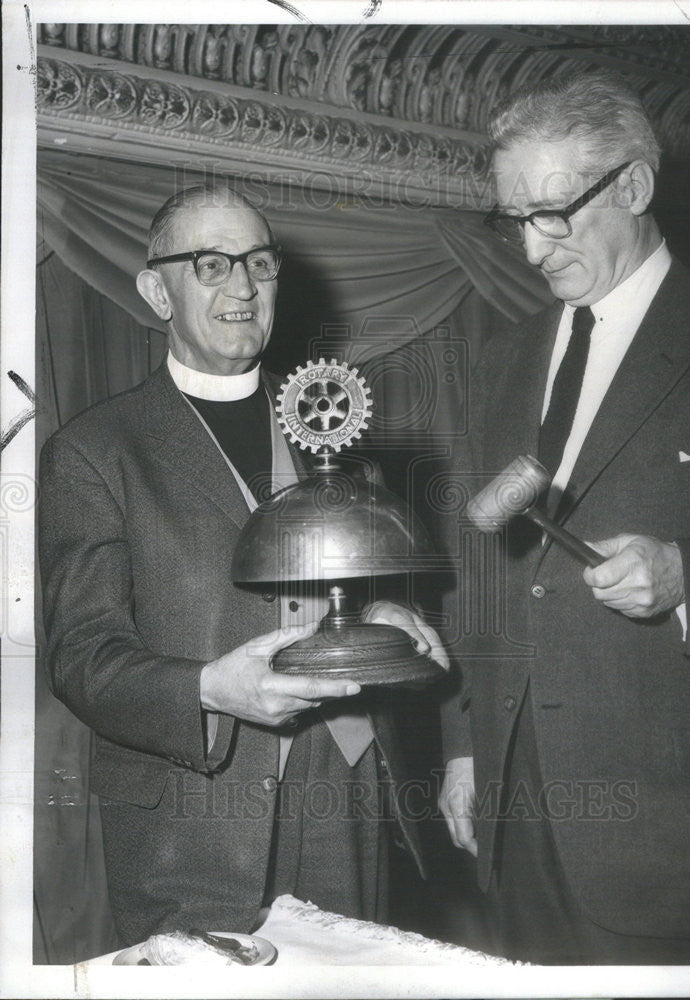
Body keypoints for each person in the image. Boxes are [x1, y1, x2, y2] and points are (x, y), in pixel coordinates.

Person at [38, 184, 445, 947]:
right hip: (193, 813)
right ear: (158, 290)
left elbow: (359, 599)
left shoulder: (337, 435)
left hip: (346, 790)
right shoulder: (96, 451)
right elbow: (83, 659)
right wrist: (209, 690)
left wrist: (386, 615)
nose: (243, 285)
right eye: (212, 264)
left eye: (259, 262)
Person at [438, 69, 690, 965]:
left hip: (675, 841)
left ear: (634, 186)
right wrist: (465, 747)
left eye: (553, 212)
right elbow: (479, 572)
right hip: (513, 809)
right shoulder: (502, 357)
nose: (533, 251)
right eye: (514, 220)